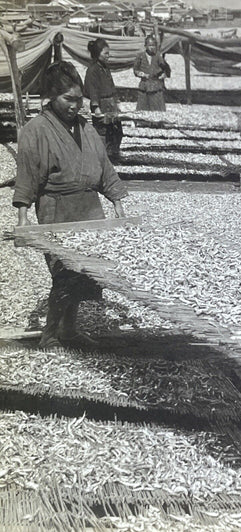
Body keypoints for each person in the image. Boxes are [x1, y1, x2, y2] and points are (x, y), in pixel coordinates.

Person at [13, 61, 128, 349]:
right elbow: (27, 176)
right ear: (51, 98)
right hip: (57, 209)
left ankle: (69, 330)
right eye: (69, 100)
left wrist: (116, 200)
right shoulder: (35, 130)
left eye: (79, 99)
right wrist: (23, 218)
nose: (76, 106)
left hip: (89, 208)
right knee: (64, 275)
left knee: (84, 274)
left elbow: (103, 166)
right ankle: (50, 333)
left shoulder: (85, 128)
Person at [84, 37, 123, 162]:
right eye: (105, 53)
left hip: (111, 104)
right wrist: (96, 107)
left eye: (108, 53)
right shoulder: (92, 70)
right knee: (103, 132)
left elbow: (112, 85)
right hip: (102, 105)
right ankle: (103, 158)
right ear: (97, 54)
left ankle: (114, 154)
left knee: (116, 131)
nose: (108, 56)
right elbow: (93, 90)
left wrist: (117, 102)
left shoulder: (106, 68)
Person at [133, 35, 171, 112]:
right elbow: (135, 69)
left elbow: (166, 68)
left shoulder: (158, 57)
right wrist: (140, 73)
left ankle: (157, 123)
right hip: (144, 85)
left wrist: (164, 74)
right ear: (145, 46)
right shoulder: (140, 56)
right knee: (142, 109)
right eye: (150, 45)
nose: (152, 47)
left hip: (156, 85)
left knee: (157, 110)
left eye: (153, 45)